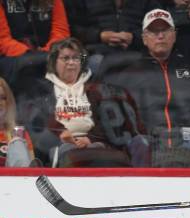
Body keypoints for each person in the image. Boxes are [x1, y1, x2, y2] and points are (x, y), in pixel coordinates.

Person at [105, 8, 190, 167]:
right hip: (151, 147)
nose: (160, 36)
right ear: (144, 39)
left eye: (165, 30)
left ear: (174, 35)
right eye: (153, 31)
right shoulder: (130, 75)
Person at [17, 37, 146, 167]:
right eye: (65, 58)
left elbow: (115, 132)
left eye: (76, 58)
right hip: (58, 156)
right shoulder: (41, 95)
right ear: (53, 62)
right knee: (66, 150)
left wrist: (90, 140)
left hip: (100, 154)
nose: (71, 63)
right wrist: (62, 137)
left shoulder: (98, 92)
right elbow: (36, 135)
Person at [0, 0, 70, 86]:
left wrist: (47, 51)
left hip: (50, 52)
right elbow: (3, 40)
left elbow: (61, 31)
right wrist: (30, 53)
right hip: (14, 58)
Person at [0, 77, 34, 167]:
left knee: (17, 142)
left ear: (8, 102)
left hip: (14, 179)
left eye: (2, 98)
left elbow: (32, 168)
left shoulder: (19, 133)